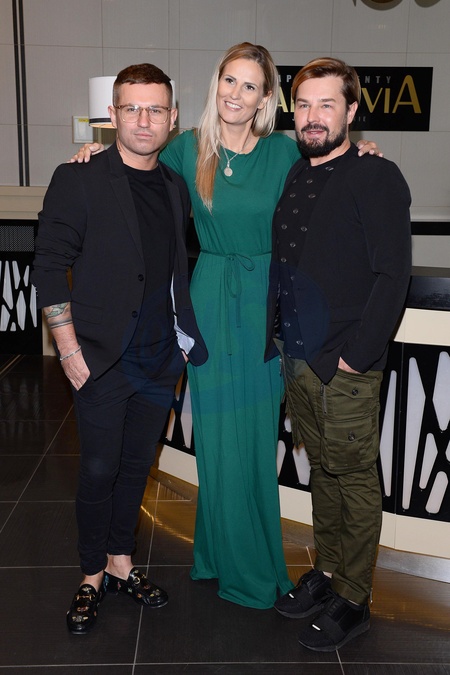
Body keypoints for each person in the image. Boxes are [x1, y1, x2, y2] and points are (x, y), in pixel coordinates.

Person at [70, 43, 381, 610]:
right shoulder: (188, 148)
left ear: (266, 98)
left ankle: (252, 566)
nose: (235, 94)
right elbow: (132, 168)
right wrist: (94, 152)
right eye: (229, 81)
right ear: (216, 84)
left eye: (249, 86)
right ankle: (216, 554)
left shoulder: (285, 151)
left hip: (267, 306)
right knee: (215, 440)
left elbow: (332, 172)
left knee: (254, 439)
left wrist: (362, 153)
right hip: (208, 301)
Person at [32, 63, 207, 634]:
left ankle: (121, 562)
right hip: (101, 358)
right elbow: (49, 266)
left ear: (173, 118)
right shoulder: (78, 177)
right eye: (132, 108)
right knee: (98, 470)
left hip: (159, 357)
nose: (143, 120)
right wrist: (68, 350)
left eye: (155, 109)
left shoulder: (175, 186)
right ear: (112, 115)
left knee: (136, 468)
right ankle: (91, 574)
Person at [265, 57, 411, 650]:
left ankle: (354, 597)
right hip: (297, 354)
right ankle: (327, 573)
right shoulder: (295, 174)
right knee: (322, 470)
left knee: (353, 478)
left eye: (327, 104)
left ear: (351, 111)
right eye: (303, 104)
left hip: (343, 362)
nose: (313, 116)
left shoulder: (375, 175)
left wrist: (357, 356)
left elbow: (393, 275)